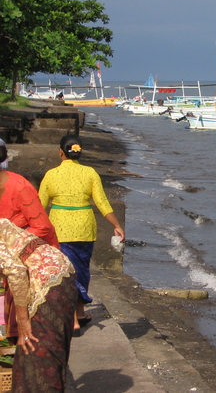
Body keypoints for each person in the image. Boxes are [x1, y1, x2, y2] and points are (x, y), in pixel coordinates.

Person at [38, 134, 125, 328]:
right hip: (84, 228)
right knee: (82, 270)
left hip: (59, 229)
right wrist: (116, 225)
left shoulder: (51, 175)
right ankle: (79, 311)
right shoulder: (90, 173)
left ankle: (74, 319)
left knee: (65, 272)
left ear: (61, 152)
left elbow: (39, 206)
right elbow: (102, 203)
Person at [0, 218, 77, 393]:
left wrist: (22, 320)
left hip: (50, 281)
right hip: (59, 275)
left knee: (38, 350)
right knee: (33, 352)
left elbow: (16, 271)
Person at [0, 138, 61, 342]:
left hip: (25, 259)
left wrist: (13, 250)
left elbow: (42, 226)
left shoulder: (19, 186)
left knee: (24, 326)